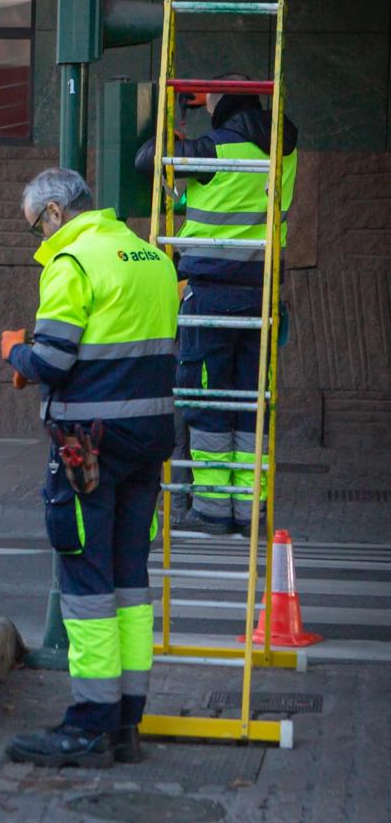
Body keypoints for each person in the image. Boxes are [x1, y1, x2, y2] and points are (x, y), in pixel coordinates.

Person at [0, 168, 179, 768]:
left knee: (85, 583)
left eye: (36, 226)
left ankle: (89, 726)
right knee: (130, 580)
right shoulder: (150, 256)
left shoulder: (73, 262)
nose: (37, 240)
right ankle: (128, 722)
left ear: (54, 211)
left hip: (88, 447)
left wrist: (14, 352)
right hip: (147, 441)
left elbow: (52, 359)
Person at [135, 74, 298, 535]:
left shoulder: (216, 149)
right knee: (252, 404)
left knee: (208, 401)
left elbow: (146, 161)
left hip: (212, 295)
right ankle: (251, 510)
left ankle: (212, 509)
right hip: (262, 296)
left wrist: (171, 135)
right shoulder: (285, 149)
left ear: (223, 106)